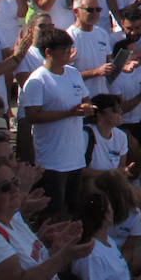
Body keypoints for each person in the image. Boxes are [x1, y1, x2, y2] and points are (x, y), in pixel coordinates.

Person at [19, 26, 92, 218]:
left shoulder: (73, 73)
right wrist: (69, 113)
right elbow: (32, 116)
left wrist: (86, 108)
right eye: (65, 50)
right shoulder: (37, 80)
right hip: (52, 160)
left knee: (73, 211)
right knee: (53, 215)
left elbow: (85, 98)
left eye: (70, 49)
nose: (69, 54)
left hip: (75, 156)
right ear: (48, 52)